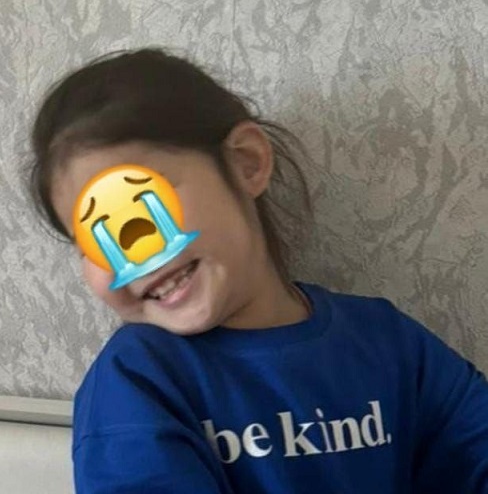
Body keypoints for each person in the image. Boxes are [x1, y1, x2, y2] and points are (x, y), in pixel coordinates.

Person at [28, 48, 488, 493]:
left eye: (142, 203)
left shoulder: (388, 342)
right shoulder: (137, 381)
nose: (133, 252)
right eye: (93, 239)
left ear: (247, 163)